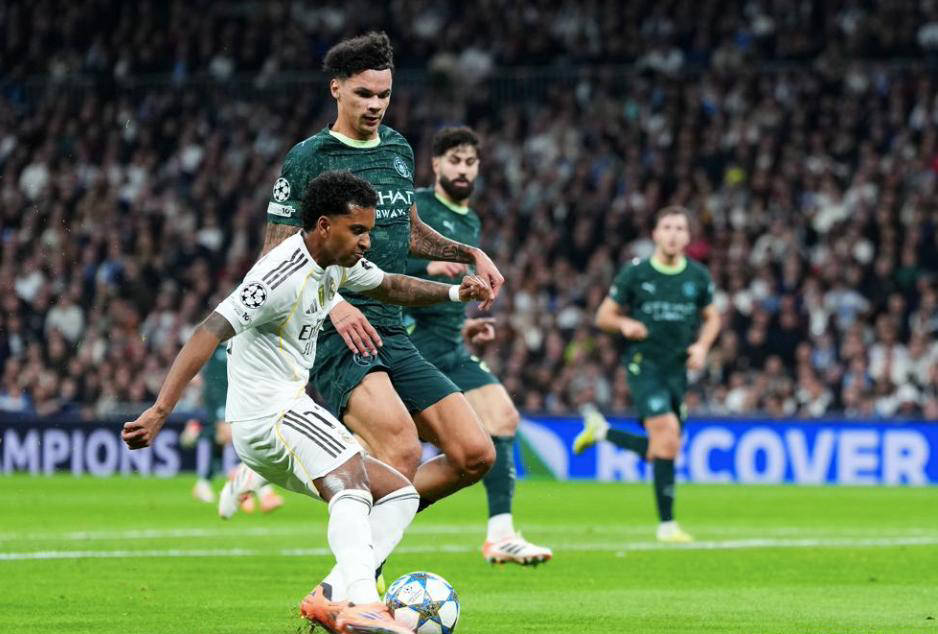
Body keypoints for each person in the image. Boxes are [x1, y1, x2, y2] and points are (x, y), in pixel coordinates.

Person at [122, 171, 491, 633]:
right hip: (270, 414)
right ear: (323, 225)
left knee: (400, 493)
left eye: (369, 231)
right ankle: (362, 602)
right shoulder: (277, 275)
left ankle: (332, 596)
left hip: (287, 414)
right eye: (357, 230)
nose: (366, 241)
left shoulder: (336, 262)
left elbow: (389, 286)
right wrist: (160, 410)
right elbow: (208, 330)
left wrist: (454, 292)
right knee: (352, 483)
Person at [259, 32, 505, 522]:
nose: (375, 105)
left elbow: (406, 230)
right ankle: (358, 564)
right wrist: (334, 304)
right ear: (336, 89)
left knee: (475, 454)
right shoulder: (309, 158)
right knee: (402, 450)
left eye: (384, 94)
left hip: (391, 326)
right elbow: (275, 253)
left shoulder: (397, 149)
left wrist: (468, 252)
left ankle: (367, 537)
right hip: (336, 332)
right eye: (364, 94)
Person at [403, 126, 552, 565]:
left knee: (503, 417)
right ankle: (261, 473)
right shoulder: (416, 205)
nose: (463, 170)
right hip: (412, 340)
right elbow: (381, 258)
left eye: (470, 162)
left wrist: (466, 327)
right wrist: (427, 265)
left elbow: (451, 293)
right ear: (436, 165)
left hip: (450, 343)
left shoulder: (470, 221)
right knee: (387, 448)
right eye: (455, 161)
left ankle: (501, 535)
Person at [573, 206, 721, 543]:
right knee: (666, 435)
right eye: (666, 227)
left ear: (688, 236)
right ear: (655, 234)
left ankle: (602, 432)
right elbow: (603, 316)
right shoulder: (636, 273)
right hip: (645, 366)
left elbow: (713, 317)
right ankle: (667, 526)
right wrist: (624, 323)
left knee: (663, 448)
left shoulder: (697, 276)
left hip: (677, 370)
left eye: (679, 228)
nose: (673, 234)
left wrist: (702, 347)